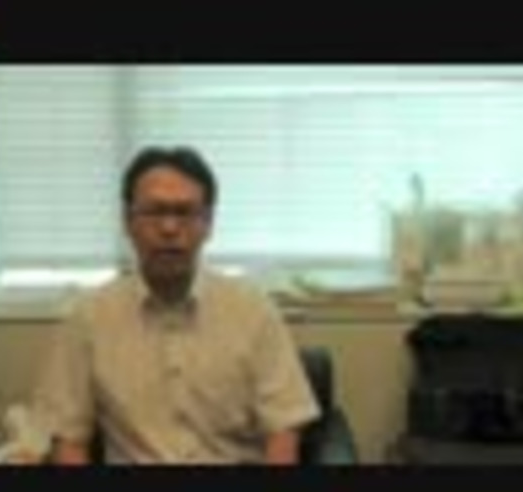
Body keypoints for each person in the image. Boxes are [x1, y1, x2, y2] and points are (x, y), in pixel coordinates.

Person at [34, 146, 319, 465]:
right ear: (128, 221)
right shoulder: (89, 318)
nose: (169, 228)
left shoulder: (254, 311)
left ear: (208, 223)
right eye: (154, 212)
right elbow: (68, 437)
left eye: (185, 213)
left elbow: (284, 430)